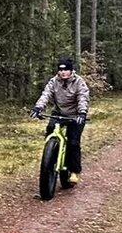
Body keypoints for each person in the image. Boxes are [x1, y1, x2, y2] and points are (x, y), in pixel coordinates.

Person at [31, 57, 90, 188]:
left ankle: (74, 171)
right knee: (50, 130)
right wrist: (38, 107)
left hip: (76, 115)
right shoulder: (54, 81)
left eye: (66, 69)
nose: (63, 72)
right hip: (59, 113)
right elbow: (46, 94)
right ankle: (51, 155)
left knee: (73, 142)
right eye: (61, 70)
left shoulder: (79, 82)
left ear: (71, 70)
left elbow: (83, 97)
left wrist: (82, 113)